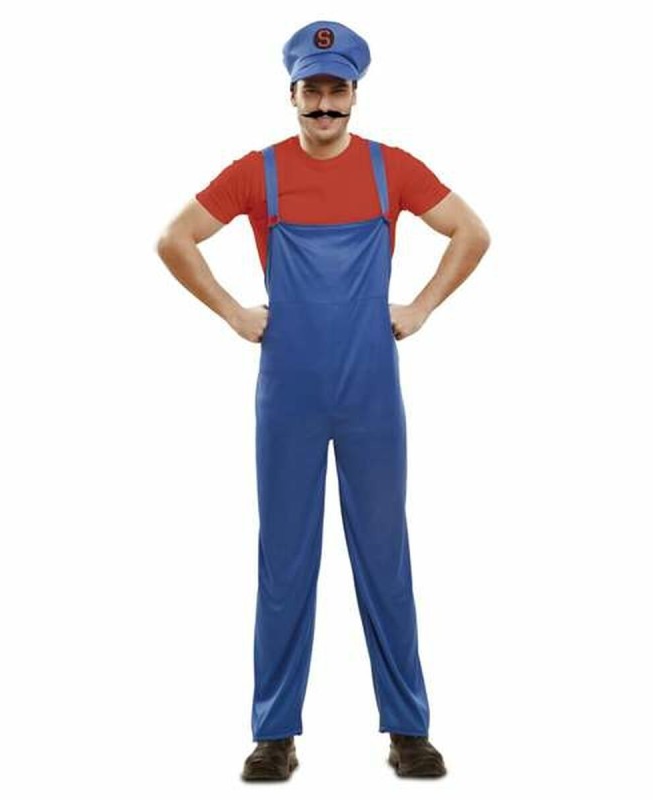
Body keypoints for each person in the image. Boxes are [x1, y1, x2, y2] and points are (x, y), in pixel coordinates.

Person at [156, 20, 490, 781]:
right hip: (290, 391)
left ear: (355, 95)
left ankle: (408, 729)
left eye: (337, 90)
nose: (325, 104)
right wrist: (233, 313)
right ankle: (274, 734)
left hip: (371, 388)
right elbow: (174, 239)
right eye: (313, 90)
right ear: (293, 95)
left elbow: (471, 232)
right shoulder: (259, 173)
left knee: (384, 555)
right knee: (285, 559)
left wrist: (423, 306)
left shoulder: (390, 169)